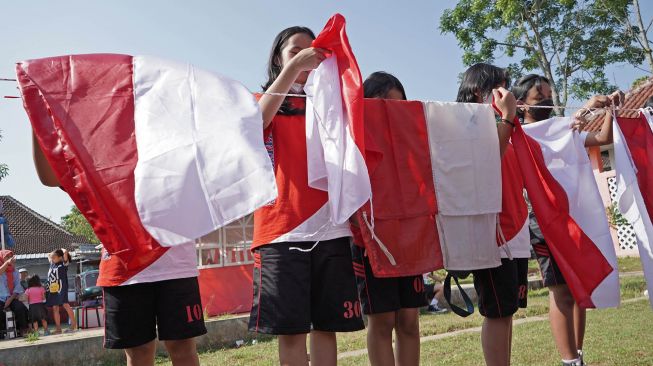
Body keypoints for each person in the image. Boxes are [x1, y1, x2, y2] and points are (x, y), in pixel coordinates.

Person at [33, 131, 205, 365]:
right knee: (139, 352)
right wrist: (35, 117)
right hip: (124, 269)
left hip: (174, 262)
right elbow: (50, 176)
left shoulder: (168, 128)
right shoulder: (97, 141)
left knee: (183, 347)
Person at [250, 26, 364, 366]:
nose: (305, 59)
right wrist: (292, 70)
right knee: (292, 332)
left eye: (311, 53)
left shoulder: (331, 106)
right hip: (282, 230)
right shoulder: (261, 101)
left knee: (326, 329)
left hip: (332, 227)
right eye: (294, 51)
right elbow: (255, 124)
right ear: (277, 58)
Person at [512, 74, 623, 366]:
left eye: (550, 98)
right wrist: (585, 109)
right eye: (541, 100)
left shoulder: (565, 129)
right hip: (543, 222)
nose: (548, 103)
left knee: (578, 288)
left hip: (574, 218)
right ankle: (569, 360)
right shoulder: (517, 135)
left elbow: (602, 139)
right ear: (521, 106)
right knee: (561, 291)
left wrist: (609, 111)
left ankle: (578, 354)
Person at [349, 71, 427, 366]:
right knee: (381, 322)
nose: (391, 112)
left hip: (408, 240)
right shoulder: (353, 138)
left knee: (409, 320)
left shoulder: (410, 139)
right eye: (383, 105)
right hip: (370, 242)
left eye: (398, 105)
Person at [456, 63, 527, 366]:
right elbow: (486, 161)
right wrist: (509, 117)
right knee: (497, 312)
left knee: (506, 312)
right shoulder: (465, 126)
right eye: (500, 87)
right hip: (491, 233)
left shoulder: (503, 125)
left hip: (515, 228)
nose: (507, 93)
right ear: (477, 91)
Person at [46, 249, 77, 334]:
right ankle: (58, 328)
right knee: (55, 307)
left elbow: (65, 252)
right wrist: (52, 254)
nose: (52, 259)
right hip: (52, 289)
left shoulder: (63, 264)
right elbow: (49, 255)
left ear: (60, 257)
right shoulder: (52, 264)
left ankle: (73, 325)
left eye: (54, 257)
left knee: (65, 305)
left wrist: (62, 250)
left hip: (61, 288)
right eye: (52, 258)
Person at [0, 250, 29, 337]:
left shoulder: (15, 271)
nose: (9, 259)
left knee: (20, 308)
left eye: (10, 257)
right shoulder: (1, 269)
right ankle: (2, 332)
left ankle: (23, 329)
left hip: (11, 297)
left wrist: (10, 299)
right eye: (7, 257)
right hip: (0, 298)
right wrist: (6, 263)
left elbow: (17, 287)